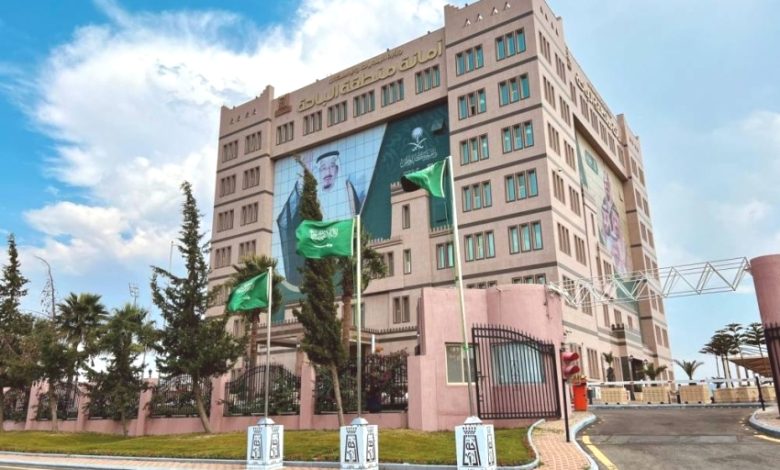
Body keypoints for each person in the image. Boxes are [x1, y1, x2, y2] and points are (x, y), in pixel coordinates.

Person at [314, 150, 362, 219]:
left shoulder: (347, 188)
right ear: (319, 172)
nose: (328, 172)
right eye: (323, 168)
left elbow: (357, 216)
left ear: (337, 169)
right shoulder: (316, 197)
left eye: (332, 166)